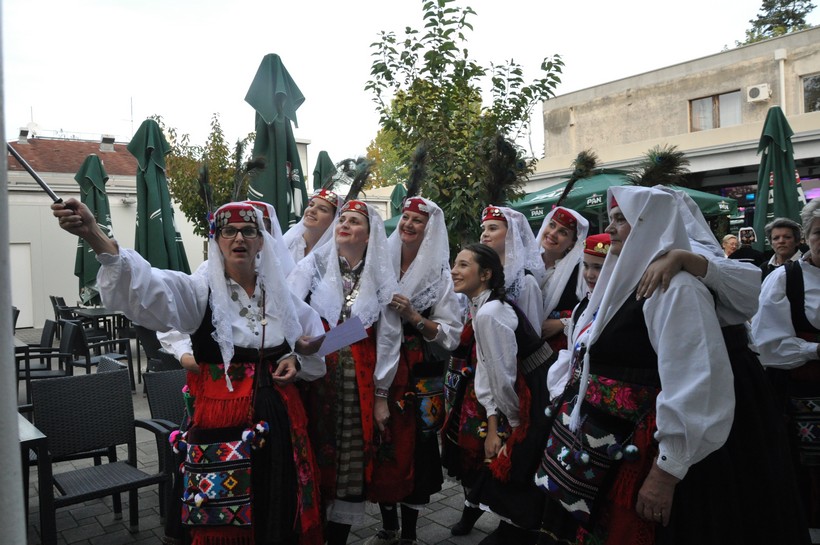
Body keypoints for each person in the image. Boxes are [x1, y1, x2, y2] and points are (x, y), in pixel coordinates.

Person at [52, 199, 326, 545]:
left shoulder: (283, 297)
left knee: (277, 507)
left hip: (277, 418)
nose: (238, 238)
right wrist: (93, 234)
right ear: (217, 239)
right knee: (221, 517)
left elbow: (314, 344)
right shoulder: (200, 291)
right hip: (218, 421)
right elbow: (148, 286)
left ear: (261, 241)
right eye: (229, 231)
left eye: (248, 231)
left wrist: (297, 359)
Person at [535, 186, 734, 545]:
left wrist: (666, 473)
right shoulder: (615, 284)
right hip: (595, 451)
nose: (610, 229)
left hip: (635, 456)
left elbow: (697, 383)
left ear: (651, 225)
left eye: (621, 220)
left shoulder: (676, 289)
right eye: (610, 219)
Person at [288, 199, 402, 545]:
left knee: (350, 464)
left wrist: (382, 395)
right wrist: (302, 349)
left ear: (369, 235)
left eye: (355, 221)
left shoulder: (380, 275)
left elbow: (389, 337)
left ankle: (337, 537)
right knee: (315, 452)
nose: (345, 225)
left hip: (359, 385)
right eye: (343, 219)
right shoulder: (314, 265)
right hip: (315, 378)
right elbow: (289, 310)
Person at [366, 197, 463, 545]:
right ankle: (388, 524)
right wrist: (321, 344)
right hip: (378, 365)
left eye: (416, 221)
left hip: (418, 375)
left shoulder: (440, 276)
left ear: (430, 229)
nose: (407, 224)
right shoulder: (378, 262)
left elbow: (450, 335)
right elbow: (361, 316)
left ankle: (408, 533)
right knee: (381, 443)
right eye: (405, 217)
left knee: (416, 448)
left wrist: (415, 318)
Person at [451, 243, 553, 545]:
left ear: (486, 274)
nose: (454, 271)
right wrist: (495, 423)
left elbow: (503, 375)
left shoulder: (490, 312)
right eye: (455, 264)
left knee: (522, 458)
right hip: (529, 386)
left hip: (535, 389)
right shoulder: (483, 306)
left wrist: (513, 426)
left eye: (463, 265)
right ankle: (518, 528)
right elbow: (488, 370)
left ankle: (520, 530)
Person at [752, 198, 820, 533]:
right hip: (802, 393)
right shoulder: (784, 280)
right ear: (807, 237)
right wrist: (815, 349)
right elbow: (768, 346)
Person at [479, 205, 544, 331]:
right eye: (483, 229)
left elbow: (532, 329)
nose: (485, 234)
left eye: (492, 228)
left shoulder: (526, 281)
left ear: (511, 234)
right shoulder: (483, 273)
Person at [536, 207, 589, 353]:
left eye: (563, 232)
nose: (553, 234)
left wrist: (563, 323)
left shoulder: (580, 271)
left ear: (572, 243)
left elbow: (591, 308)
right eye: (552, 225)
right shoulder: (527, 264)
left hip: (559, 351)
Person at [283, 188, 338, 263]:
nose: (312, 210)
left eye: (322, 209)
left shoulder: (335, 255)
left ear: (334, 219)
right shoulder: (288, 243)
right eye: (311, 205)